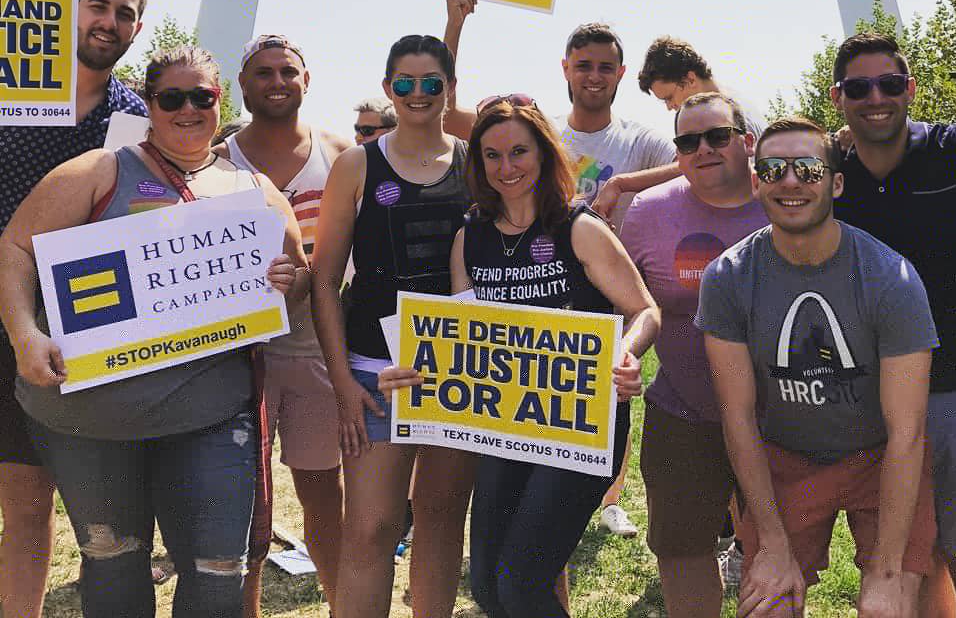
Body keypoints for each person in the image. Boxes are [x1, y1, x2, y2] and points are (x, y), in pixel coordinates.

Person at [0, 44, 307, 618]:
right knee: (113, 566)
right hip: (91, 419)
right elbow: (15, 248)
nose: (187, 108)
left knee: (220, 573)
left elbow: (301, 278)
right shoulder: (100, 169)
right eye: (172, 97)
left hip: (212, 417)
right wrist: (23, 334)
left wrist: (290, 278)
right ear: (149, 102)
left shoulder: (255, 189)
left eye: (202, 96)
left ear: (221, 101)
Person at [380, 97, 660, 618]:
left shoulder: (579, 228)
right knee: (486, 587)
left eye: (518, 152)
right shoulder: (470, 237)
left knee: (522, 587)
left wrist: (626, 351)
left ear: (543, 154)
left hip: (580, 428)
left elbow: (645, 309)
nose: (506, 168)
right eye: (491, 156)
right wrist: (417, 369)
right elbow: (461, 337)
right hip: (506, 429)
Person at [441, 0, 674, 534]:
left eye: (606, 67)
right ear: (565, 69)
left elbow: (700, 158)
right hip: (511, 390)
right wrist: (454, 23)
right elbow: (450, 112)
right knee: (514, 570)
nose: (508, 165)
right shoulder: (527, 126)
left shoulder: (637, 140)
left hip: (587, 330)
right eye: (583, 65)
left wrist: (624, 184)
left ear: (621, 74)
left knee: (531, 558)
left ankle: (607, 501)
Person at [698, 116, 939, 618]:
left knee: (895, 608)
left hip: (880, 456)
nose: (791, 181)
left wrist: (890, 572)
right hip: (785, 457)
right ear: (757, 180)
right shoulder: (729, 277)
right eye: (774, 168)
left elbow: (907, 431)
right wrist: (771, 544)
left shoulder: (889, 277)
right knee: (767, 604)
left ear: (836, 182)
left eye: (808, 169)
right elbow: (737, 417)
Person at [829, 32, 956, 618]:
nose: (876, 98)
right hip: (873, 407)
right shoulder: (828, 174)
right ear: (839, 96)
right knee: (913, 567)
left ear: (911, 89)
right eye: (860, 87)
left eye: (890, 84)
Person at [0, 0, 148, 618]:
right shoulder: (10, 86)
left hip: (70, 326)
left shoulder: (135, 115)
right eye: (97, 6)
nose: (107, 21)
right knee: (24, 507)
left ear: (136, 29)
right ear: (71, 11)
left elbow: (127, 220)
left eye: (122, 13)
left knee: (58, 510)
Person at [310, 34, 475, 618]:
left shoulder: (474, 163)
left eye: (432, 83)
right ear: (388, 89)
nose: (418, 94)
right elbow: (324, 280)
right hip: (375, 372)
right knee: (372, 529)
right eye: (404, 83)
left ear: (450, 89)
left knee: (440, 519)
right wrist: (342, 382)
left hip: (457, 375)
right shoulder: (358, 164)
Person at [216, 34, 351, 618]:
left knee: (323, 495)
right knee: (242, 503)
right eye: (262, 73)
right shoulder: (218, 161)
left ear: (306, 80)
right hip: (236, 356)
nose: (276, 83)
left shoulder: (342, 154)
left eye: (287, 72)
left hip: (317, 348)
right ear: (241, 86)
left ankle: (344, 603)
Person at [619, 91, 767, 618]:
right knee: (683, 551)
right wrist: (623, 354)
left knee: (776, 552)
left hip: (781, 417)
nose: (702, 149)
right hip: (683, 412)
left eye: (717, 136)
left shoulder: (787, 199)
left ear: (747, 142)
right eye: (687, 141)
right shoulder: (647, 212)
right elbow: (619, 302)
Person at [637, 35, 765, 137]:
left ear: (690, 79)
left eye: (669, 98)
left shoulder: (735, 122)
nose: (670, 107)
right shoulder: (731, 109)